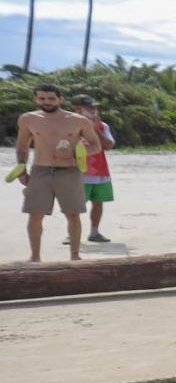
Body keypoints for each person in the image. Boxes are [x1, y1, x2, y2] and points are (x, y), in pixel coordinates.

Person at [14, 83, 101, 262]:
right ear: (35, 99)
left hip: (69, 171)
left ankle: (75, 256)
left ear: (60, 99)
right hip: (40, 170)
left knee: (73, 214)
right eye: (42, 98)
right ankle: (35, 257)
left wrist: (75, 155)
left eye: (51, 98)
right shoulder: (27, 119)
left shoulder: (78, 120)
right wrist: (21, 168)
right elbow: (22, 146)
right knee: (35, 214)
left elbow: (96, 146)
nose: (47, 102)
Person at [70, 95, 115, 243]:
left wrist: (96, 129)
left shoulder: (103, 126)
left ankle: (94, 232)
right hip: (77, 172)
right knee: (74, 204)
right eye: (89, 108)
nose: (93, 111)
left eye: (94, 108)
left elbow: (108, 145)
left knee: (98, 202)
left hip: (100, 171)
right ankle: (71, 233)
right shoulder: (68, 125)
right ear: (77, 109)